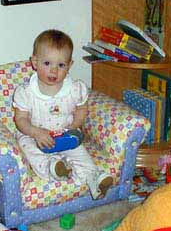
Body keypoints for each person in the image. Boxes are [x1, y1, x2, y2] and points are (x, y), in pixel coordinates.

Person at [13, 29, 114, 199]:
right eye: (47, 64)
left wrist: (74, 125)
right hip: (35, 135)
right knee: (28, 147)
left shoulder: (75, 88)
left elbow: (82, 108)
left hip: (65, 133)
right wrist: (36, 133)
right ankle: (52, 167)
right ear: (35, 62)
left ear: (69, 65)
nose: (54, 71)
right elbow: (20, 120)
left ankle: (93, 178)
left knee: (80, 153)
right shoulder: (26, 92)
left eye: (61, 65)